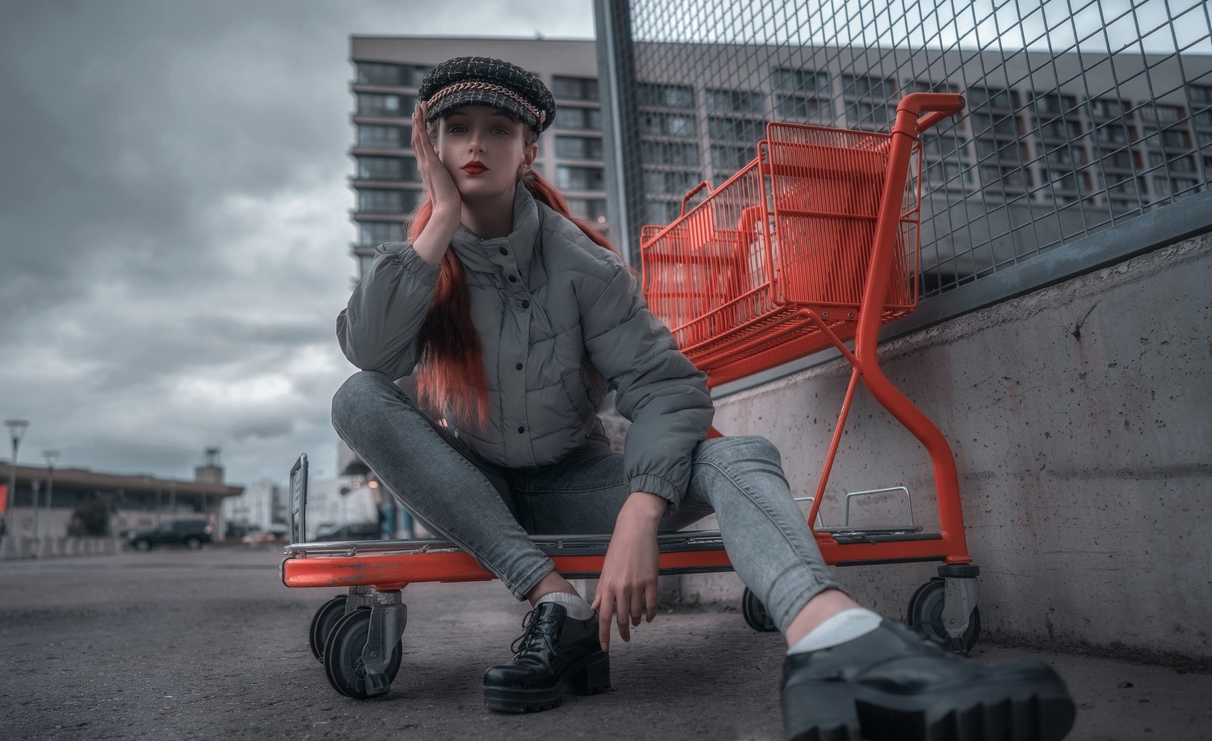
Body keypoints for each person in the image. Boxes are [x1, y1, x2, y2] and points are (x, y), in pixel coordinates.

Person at [332, 56, 1075, 740]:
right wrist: (438, 223)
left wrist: (641, 507)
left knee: (742, 453)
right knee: (358, 399)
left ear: (529, 150)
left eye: (499, 129)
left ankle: (835, 641)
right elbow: (370, 353)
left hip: (572, 482)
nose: (476, 144)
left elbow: (665, 388)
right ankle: (554, 601)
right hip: (470, 489)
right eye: (455, 129)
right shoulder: (413, 265)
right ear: (429, 145)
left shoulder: (582, 264)